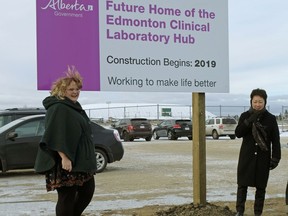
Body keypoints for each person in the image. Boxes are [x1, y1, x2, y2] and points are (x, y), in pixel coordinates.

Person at [34, 66, 97, 216]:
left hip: (80, 159)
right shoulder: (58, 107)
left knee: (87, 191)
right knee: (66, 197)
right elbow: (56, 134)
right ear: (62, 91)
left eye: (77, 89)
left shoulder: (73, 106)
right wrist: (64, 157)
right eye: (71, 89)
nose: (75, 92)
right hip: (66, 161)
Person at [234, 88, 281, 216]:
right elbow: (238, 133)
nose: (257, 104)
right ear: (251, 101)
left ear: (265, 102)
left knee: (261, 187)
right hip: (247, 157)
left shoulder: (270, 119)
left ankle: (257, 213)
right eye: (255, 101)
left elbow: (275, 140)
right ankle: (240, 211)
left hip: (263, 157)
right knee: (242, 185)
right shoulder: (245, 116)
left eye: (260, 102)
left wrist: (276, 158)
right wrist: (249, 121)